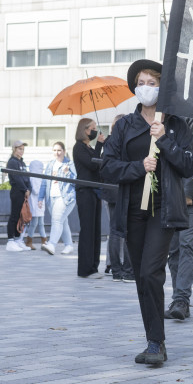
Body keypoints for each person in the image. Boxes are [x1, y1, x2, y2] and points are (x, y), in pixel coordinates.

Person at [101, 59, 193, 365]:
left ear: (162, 87)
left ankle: (157, 343)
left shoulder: (177, 124)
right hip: (132, 211)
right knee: (142, 279)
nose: (146, 87)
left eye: (153, 83)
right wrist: (137, 167)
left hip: (163, 210)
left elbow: (189, 165)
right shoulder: (126, 125)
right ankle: (153, 341)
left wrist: (164, 139)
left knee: (149, 272)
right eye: (141, 82)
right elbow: (107, 165)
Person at [165, 117, 193, 320]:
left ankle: (181, 299)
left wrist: (188, 192)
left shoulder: (190, 116)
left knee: (186, 244)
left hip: (190, 193)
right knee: (173, 249)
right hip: (167, 191)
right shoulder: (159, 116)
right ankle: (178, 299)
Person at [102, 115, 133, 282]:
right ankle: (128, 270)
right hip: (122, 189)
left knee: (115, 230)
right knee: (127, 230)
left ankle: (115, 270)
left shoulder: (109, 142)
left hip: (110, 190)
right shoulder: (127, 141)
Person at [73, 118, 105, 278]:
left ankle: (94, 266)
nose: (95, 130)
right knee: (88, 230)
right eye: (93, 128)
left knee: (95, 230)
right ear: (85, 130)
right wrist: (99, 144)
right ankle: (86, 269)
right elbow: (93, 164)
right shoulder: (79, 148)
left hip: (95, 190)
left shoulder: (89, 147)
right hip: (85, 191)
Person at [38, 142, 76, 256]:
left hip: (65, 197)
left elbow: (76, 181)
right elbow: (44, 182)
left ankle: (52, 244)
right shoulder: (50, 164)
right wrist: (40, 198)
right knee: (62, 222)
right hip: (51, 198)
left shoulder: (70, 164)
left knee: (57, 220)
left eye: (59, 150)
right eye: (54, 150)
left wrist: (67, 173)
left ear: (64, 151)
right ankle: (69, 245)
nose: (57, 153)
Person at [5, 140, 31, 252]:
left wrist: (29, 189)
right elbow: (17, 178)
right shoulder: (12, 162)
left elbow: (27, 177)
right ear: (14, 149)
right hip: (17, 192)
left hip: (24, 192)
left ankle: (17, 240)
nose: (21, 151)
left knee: (21, 218)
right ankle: (10, 241)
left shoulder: (22, 163)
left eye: (23, 149)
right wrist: (25, 189)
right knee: (14, 216)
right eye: (19, 149)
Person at [25, 159, 46, 249]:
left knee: (40, 222)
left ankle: (43, 241)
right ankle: (30, 241)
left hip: (38, 203)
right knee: (35, 222)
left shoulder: (36, 177)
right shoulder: (34, 178)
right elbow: (36, 190)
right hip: (35, 203)